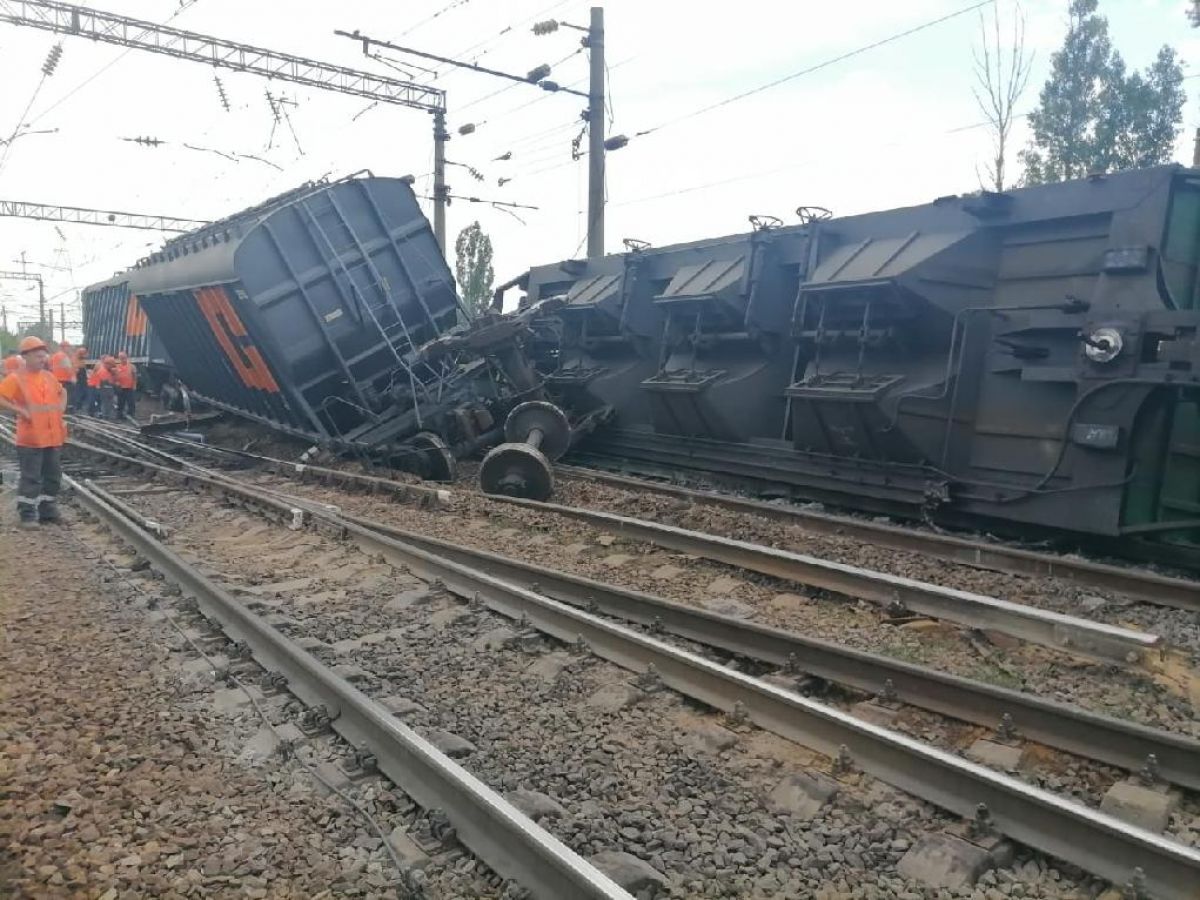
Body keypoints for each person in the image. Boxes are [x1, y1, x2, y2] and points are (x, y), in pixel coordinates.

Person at [0, 336, 68, 527]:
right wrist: (20, 411)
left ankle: (48, 510)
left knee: (53, 476)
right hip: (31, 439)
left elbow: (62, 392)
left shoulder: (49, 376)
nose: (43, 359)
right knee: (31, 477)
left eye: (43, 356)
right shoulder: (16, 379)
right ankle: (28, 514)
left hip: (53, 437)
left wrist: (61, 408)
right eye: (38, 356)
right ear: (26, 357)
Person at [49, 341, 77, 409]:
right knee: (67, 396)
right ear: (64, 347)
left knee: (58, 396)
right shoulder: (64, 356)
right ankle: (67, 409)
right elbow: (68, 367)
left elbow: (50, 367)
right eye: (68, 347)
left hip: (56, 380)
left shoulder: (54, 356)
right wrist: (73, 377)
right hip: (65, 380)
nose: (69, 349)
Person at [113, 350, 137, 419]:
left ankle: (131, 415)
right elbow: (114, 377)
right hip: (120, 388)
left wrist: (134, 385)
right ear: (119, 358)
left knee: (131, 402)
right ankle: (119, 416)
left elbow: (135, 377)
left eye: (123, 357)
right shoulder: (117, 367)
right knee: (120, 402)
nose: (122, 359)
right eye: (121, 357)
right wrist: (116, 382)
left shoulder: (132, 366)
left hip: (129, 388)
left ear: (126, 357)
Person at [72, 345, 88, 411]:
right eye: (83, 354)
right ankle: (77, 406)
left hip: (81, 376)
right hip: (79, 377)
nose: (85, 355)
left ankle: (79, 406)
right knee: (78, 392)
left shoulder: (80, 359)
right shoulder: (75, 359)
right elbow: (75, 369)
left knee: (82, 392)